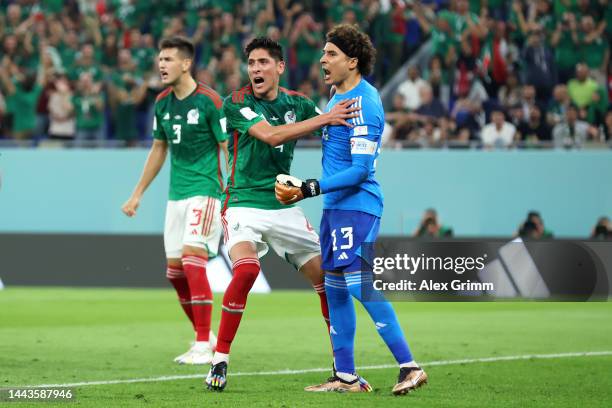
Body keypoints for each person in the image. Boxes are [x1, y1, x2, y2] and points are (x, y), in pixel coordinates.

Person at [275, 24, 427, 395]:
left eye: (331, 54)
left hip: (358, 206)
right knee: (336, 288)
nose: (323, 60)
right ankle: (346, 377)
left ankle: (410, 366)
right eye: (324, 53)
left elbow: (359, 170)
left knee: (359, 284)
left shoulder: (365, 103)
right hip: (335, 207)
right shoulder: (335, 97)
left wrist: (308, 187)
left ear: (352, 61)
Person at [205, 37, 360, 392]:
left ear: (279, 67)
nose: (255, 69)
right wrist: (325, 117)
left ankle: (342, 365)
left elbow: (335, 129)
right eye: (252, 63)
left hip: (283, 205)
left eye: (263, 63)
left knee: (328, 280)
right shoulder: (237, 103)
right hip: (242, 202)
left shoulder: (298, 103)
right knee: (247, 271)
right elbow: (271, 136)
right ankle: (220, 359)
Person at [121, 36, 228, 365]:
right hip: (176, 195)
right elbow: (158, 149)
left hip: (206, 190)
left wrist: (233, 191)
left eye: (168, 59)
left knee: (194, 260)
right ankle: (204, 334)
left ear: (186, 63)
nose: (161, 65)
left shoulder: (210, 101)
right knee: (175, 273)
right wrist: (137, 193)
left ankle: (200, 345)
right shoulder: (163, 103)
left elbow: (228, 147)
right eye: (160, 59)